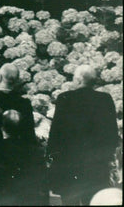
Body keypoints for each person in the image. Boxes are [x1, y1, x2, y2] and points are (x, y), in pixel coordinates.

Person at [48, 65, 119, 205]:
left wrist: (52, 158)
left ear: (79, 80)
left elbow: (56, 133)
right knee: (93, 201)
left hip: (69, 166)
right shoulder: (104, 99)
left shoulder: (65, 98)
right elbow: (112, 134)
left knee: (70, 202)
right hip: (95, 167)